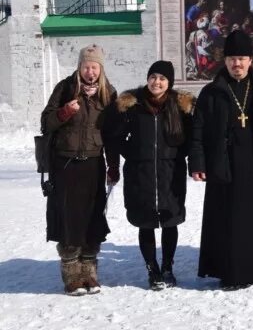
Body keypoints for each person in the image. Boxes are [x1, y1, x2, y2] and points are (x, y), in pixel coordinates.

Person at [190, 31, 253, 288]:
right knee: (229, 221)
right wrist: (198, 164)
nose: (237, 64)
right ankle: (230, 271)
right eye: (233, 58)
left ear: (251, 60)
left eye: (242, 58)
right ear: (225, 61)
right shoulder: (211, 93)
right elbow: (198, 131)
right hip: (225, 166)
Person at [103, 61, 192, 290]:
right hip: (139, 173)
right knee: (146, 222)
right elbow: (114, 135)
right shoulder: (132, 105)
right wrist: (132, 153)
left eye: (162, 78)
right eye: (153, 77)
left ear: (169, 82)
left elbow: (192, 137)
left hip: (170, 173)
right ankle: (152, 269)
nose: (157, 82)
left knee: (170, 220)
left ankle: (168, 268)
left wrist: (176, 155)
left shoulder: (180, 105)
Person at [40, 45, 119, 295]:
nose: (90, 71)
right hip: (65, 164)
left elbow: (112, 134)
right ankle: (72, 276)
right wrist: (64, 112)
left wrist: (113, 165)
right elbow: (46, 122)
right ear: (79, 67)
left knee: (92, 218)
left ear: (100, 68)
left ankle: (90, 273)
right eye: (86, 66)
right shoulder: (65, 88)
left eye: (94, 67)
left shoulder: (108, 94)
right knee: (69, 219)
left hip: (94, 163)